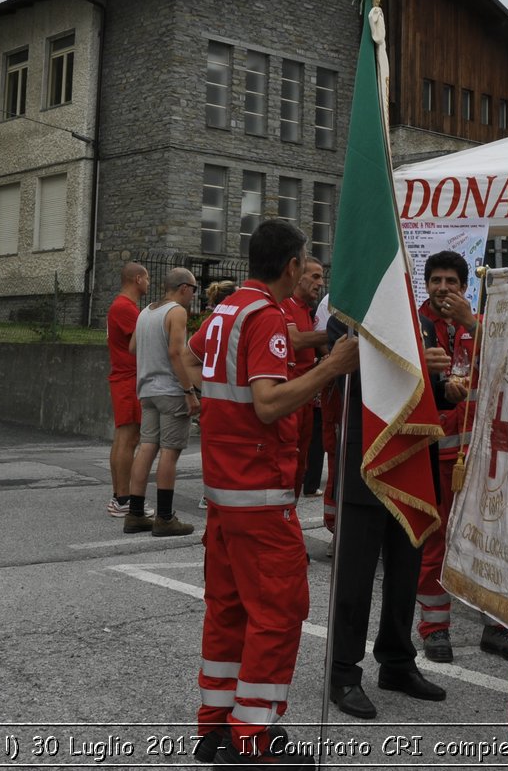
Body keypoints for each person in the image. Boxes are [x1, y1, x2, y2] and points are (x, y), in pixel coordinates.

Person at [188, 221, 358, 768]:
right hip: (258, 497)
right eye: (305, 264)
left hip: (224, 495)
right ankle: (253, 740)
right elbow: (266, 403)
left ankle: (216, 727)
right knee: (279, 614)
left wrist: (209, 406)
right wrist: (332, 365)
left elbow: (193, 360)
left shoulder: (225, 310)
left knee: (228, 612)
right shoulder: (265, 317)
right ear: (291, 266)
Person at [325, 313, 449, 721]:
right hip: (369, 459)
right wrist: (416, 361)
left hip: (412, 461)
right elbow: (354, 375)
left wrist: (448, 391)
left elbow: (425, 392)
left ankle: (396, 662)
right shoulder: (345, 320)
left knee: (403, 574)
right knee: (354, 580)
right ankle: (343, 672)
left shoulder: (421, 322)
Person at [415, 250, 508, 664]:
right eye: (436, 280)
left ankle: (495, 626)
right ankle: (435, 628)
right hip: (432, 456)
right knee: (434, 543)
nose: (443, 288)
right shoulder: (415, 324)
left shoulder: (480, 322)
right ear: (426, 284)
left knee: (488, 541)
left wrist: (468, 322)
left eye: (451, 281)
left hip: (480, 457)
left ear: (465, 286)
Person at [121, 267, 201, 537]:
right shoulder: (176, 312)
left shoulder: (145, 312)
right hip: (170, 390)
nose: (194, 294)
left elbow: (132, 347)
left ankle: (135, 514)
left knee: (146, 448)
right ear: (183, 288)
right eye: (194, 289)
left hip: (146, 390)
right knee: (170, 452)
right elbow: (176, 353)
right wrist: (189, 391)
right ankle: (165, 517)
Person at [106, 262, 150, 522]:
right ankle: (124, 499)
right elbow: (141, 342)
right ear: (137, 279)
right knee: (129, 439)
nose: (148, 283)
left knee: (123, 438)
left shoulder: (121, 306)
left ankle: (119, 496)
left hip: (124, 378)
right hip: (129, 378)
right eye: (146, 278)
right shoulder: (125, 307)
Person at [283, 257, 329, 499]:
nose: (320, 283)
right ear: (298, 275)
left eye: (321, 277)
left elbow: (311, 347)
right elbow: (296, 340)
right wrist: (335, 333)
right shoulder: (285, 304)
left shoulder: (306, 310)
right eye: (315, 276)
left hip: (307, 396)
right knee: (289, 456)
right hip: (290, 396)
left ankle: (292, 508)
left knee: (302, 459)